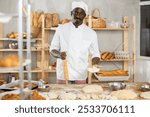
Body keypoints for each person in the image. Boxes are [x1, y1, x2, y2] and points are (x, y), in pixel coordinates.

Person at [50, 1, 100, 84]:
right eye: (75, 12)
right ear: (71, 13)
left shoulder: (91, 33)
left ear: (85, 15)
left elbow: (96, 54)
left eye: (81, 13)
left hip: (81, 73)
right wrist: (59, 54)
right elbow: (52, 49)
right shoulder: (61, 29)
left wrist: (92, 64)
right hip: (63, 72)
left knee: (80, 95)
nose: (77, 15)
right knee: (61, 95)